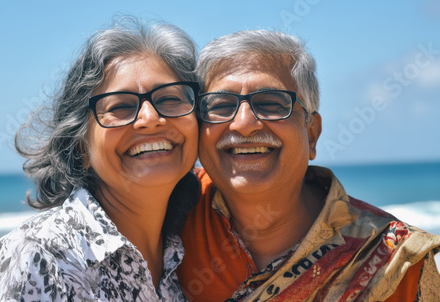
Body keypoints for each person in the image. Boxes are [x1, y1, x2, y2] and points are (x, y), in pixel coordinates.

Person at [177, 30, 440, 301]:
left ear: (311, 134)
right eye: (220, 105)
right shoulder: (171, 214)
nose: (244, 124)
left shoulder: (395, 261)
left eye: (270, 103)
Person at [0, 17, 201, 301]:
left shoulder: (188, 256)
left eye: (170, 99)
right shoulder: (41, 257)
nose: (150, 119)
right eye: (121, 106)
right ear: (80, 147)